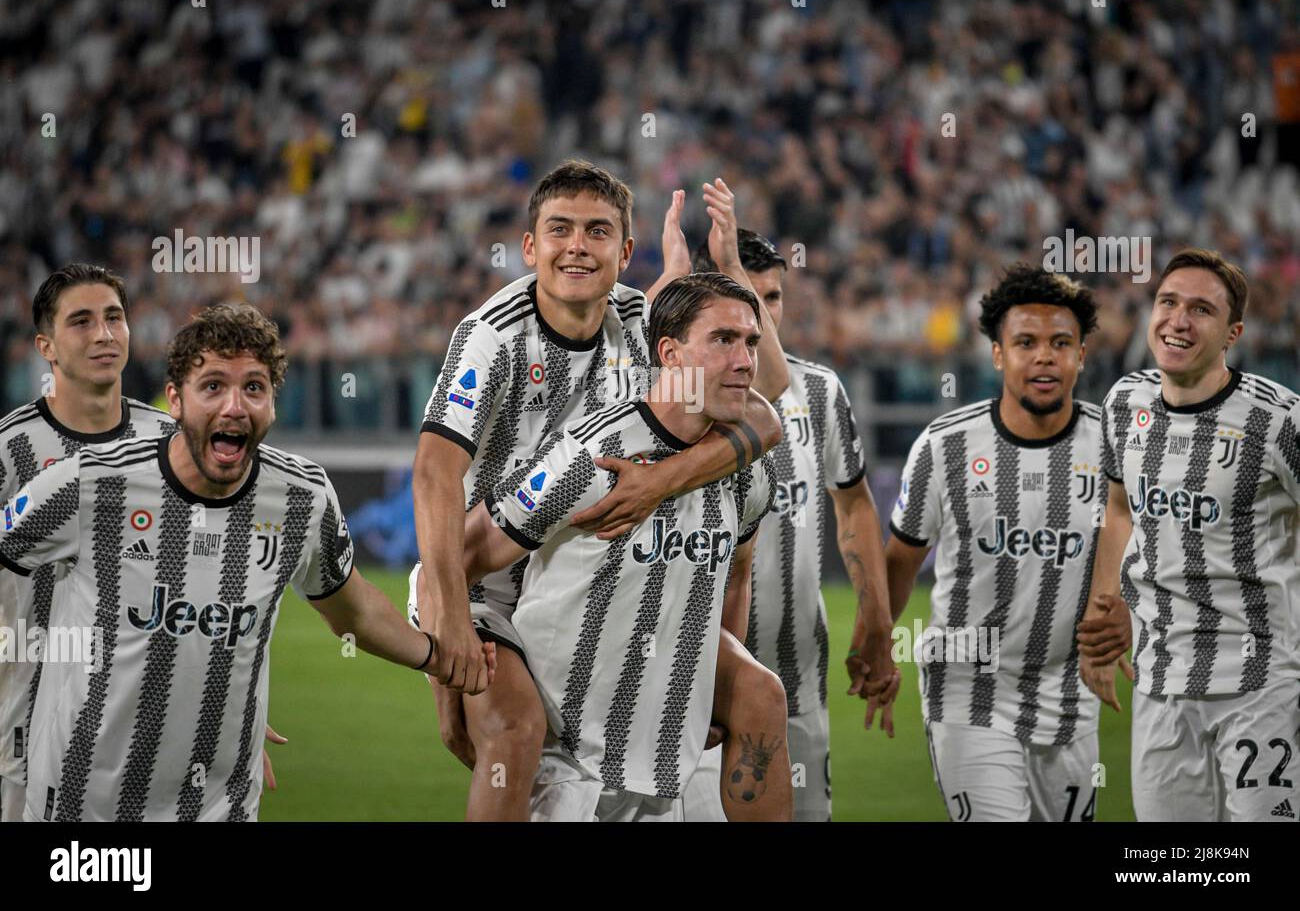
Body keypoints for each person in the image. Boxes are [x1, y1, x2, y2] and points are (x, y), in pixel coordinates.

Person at [409, 160, 793, 820]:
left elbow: (764, 401)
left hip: (583, 571)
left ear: (625, 251)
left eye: (597, 231)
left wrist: (657, 482)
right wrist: (449, 648)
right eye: (560, 230)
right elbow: (434, 471)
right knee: (515, 731)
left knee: (759, 695)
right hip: (484, 572)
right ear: (531, 247)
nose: (577, 246)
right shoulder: (492, 337)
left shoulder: (637, 318)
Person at [0, 303, 462, 821]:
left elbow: (353, 613)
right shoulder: (90, 484)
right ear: (175, 399)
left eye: (254, 388)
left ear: (272, 404)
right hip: (83, 804)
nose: (235, 407)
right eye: (213, 386)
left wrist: (440, 658)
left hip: (218, 806)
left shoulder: (301, 498)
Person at [682, 232, 898, 822]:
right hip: (685, 679)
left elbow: (853, 504)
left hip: (797, 674)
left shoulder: (821, 393)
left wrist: (877, 619)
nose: (761, 312)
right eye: (744, 297)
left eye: (771, 296)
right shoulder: (671, 402)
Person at [1078, 248, 1300, 821]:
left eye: (1201, 309)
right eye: (1168, 302)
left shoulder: (1277, 421)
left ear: (1232, 333)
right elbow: (1119, 507)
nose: (1178, 320)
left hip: (1261, 683)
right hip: (1161, 682)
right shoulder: (1124, 404)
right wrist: (1108, 611)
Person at [886, 265, 1106, 821]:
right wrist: (876, 643)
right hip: (968, 686)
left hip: (1069, 693)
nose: (1044, 357)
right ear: (998, 355)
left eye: (1061, 343)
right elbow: (901, 561)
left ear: (1082, 355)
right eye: (1025, 342)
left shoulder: (1115, 446)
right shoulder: (946, 445)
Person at [0, 264, 176, 822]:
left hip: (148, 736)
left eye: (114, 318)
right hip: (26, 731)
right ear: (46, 347)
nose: (104, 334)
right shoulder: (9, 452)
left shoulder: (170, 443)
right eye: (82, 321)